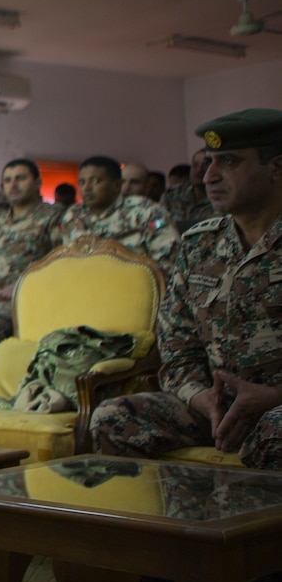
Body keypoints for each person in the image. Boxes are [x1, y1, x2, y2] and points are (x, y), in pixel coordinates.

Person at [91, 109, 282, 469]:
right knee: (113, 418)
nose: (210, 176)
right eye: (209, 162)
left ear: (276, 167)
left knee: (276, 429)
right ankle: (164, 525)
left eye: (229, 162)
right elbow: (176, 343)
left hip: (276, 409)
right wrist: (201, 397)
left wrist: (272, 398)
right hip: (217, 409)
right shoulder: (199, 244)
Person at [0, 159, 64, 357]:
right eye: (8, 180)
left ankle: (7, 381)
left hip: (28, 297)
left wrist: (22, 284)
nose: (13, 185)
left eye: (20, 178)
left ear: (37, 183)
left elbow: (60, 262)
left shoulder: (53, 216)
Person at [59, 155, 178, 265]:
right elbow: (67, 259)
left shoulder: (146, 211)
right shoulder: (73, 215)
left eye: (95, 181)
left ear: (116, 185)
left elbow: (169, 256)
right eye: (82, 182)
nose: (86, 188)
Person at [163, 148, 215, 232]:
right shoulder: (173, 194)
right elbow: (156, 223)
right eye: (195, 165)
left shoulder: (219, 196)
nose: (199, 170)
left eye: (205, 165)